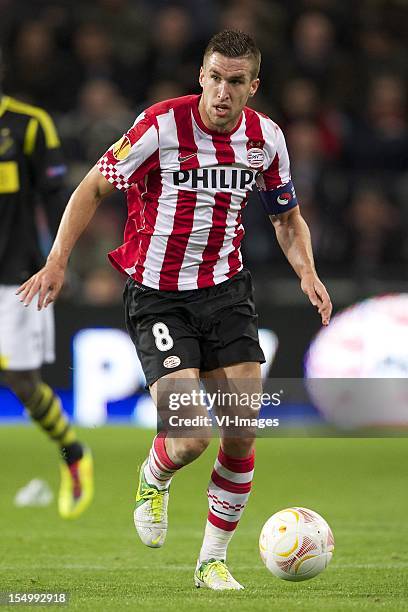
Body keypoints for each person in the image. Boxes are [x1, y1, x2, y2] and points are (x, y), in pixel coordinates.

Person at [18, 30, 332, 587]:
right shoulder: (160, 125)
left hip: (227, 292)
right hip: (159, 296)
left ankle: (212, 561)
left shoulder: (268, 139)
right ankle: (154, 472)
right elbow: (92, 186)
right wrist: (59, 259)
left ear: (252, 87)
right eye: (214, 77)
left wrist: (307, 271)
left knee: (241, 430)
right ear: (201, 76)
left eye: (236, 82)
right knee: (191, 437)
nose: (222, 91)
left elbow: (286, 217)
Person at [0, 53, 94, 519]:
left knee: (20, 382)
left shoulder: (29, 126)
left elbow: (61, 200)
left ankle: (72, 454)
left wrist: (60, 262)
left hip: (14, 278)